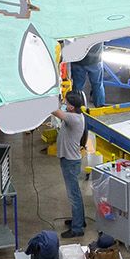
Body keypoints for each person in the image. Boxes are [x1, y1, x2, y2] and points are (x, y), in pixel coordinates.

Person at [50, 90, 87, 238]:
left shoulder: (74, 118)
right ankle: (80, 220)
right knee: (76, 193)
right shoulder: (76, 115)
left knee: (74, 195)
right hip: (71, 159)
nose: (65, 104)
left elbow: (54, 111)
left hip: (70, 162)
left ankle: (77, 229)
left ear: (72, 107)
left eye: (66, 103)